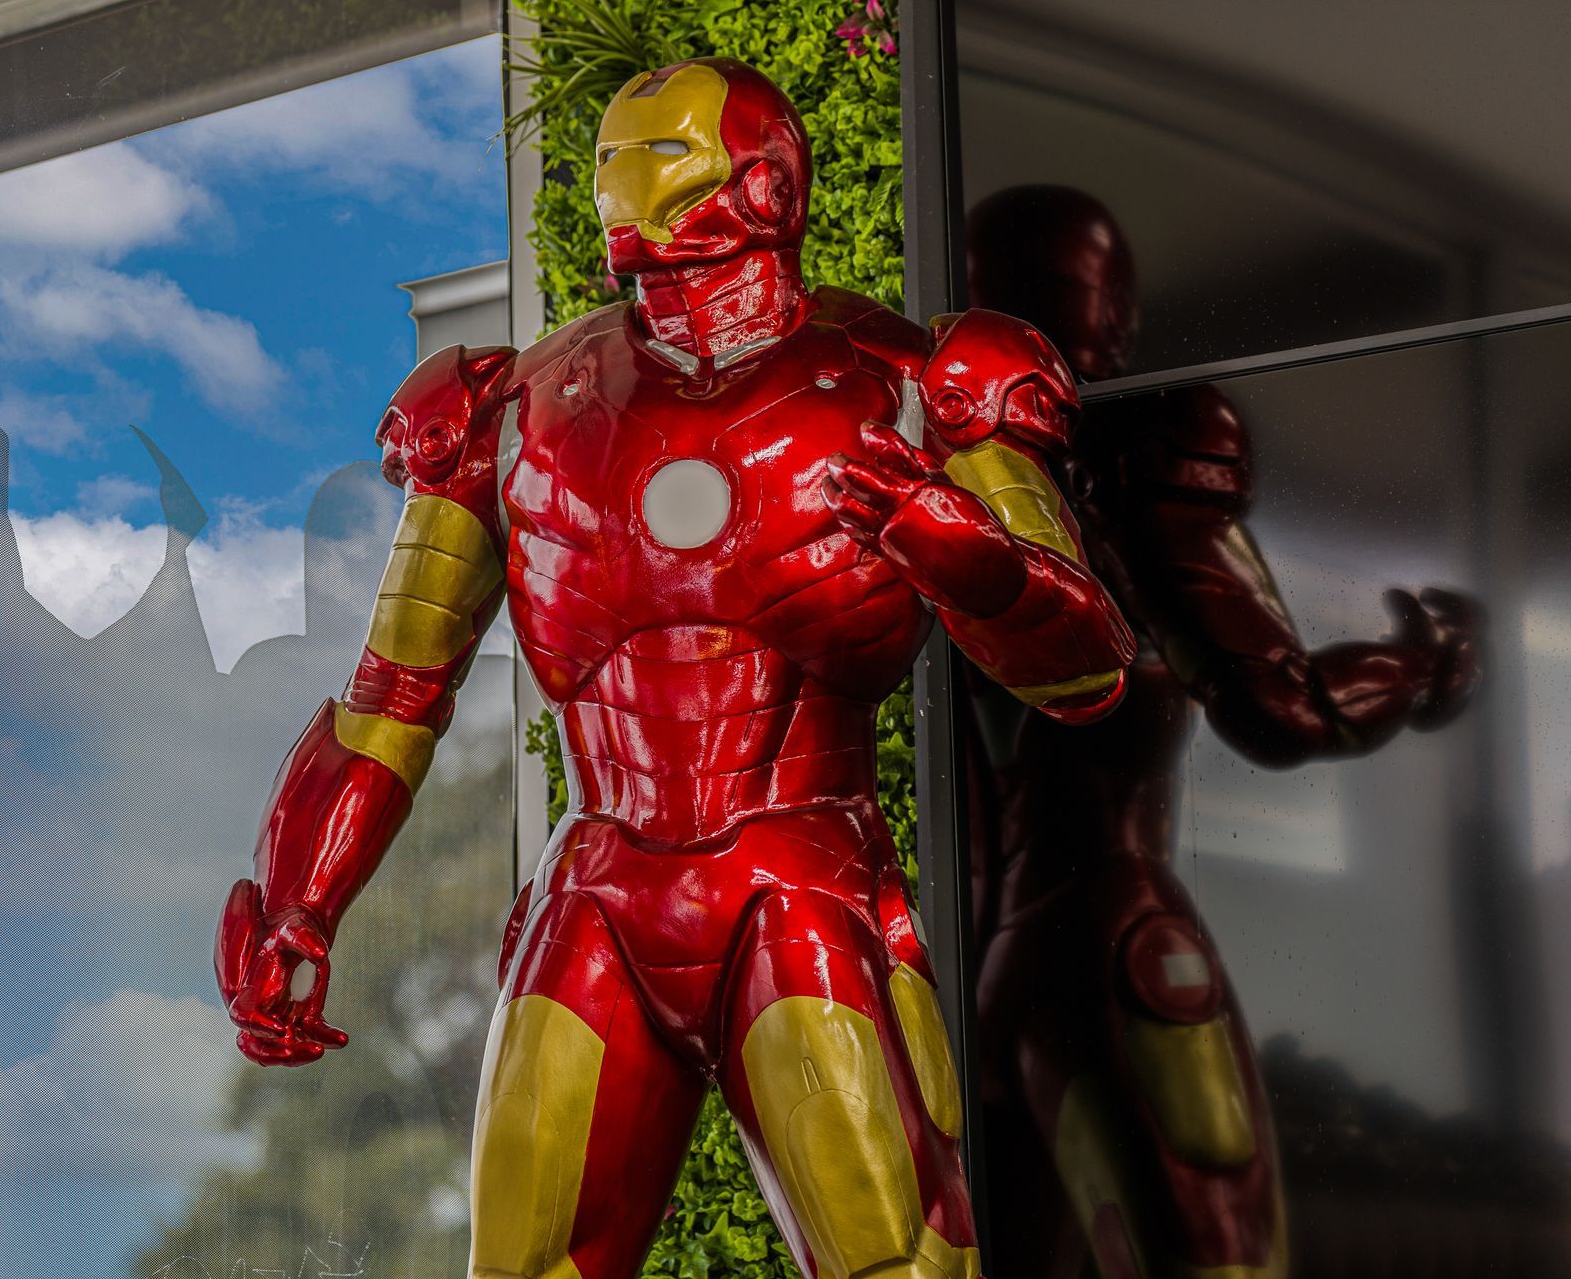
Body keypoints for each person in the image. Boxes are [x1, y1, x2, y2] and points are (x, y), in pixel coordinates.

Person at [216, 65, 1137, 1279]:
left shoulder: (913, 384)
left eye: (656, 155)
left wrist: (964, 556)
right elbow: (390, 696)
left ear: (764, 181)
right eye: (610, 157)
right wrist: (298, 898)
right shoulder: (514, 410)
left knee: (896, 1261)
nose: (621, 189)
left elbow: (1084, 667)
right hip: (599, 885)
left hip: (801, 873)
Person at [965, 184, 1481, 1278]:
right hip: (1108, 923)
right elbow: (1286, 710)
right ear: (1111, 304)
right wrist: (1427, 662)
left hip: (986, 966)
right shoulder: (1123, 455)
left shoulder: (939, 470)